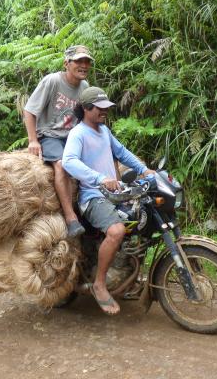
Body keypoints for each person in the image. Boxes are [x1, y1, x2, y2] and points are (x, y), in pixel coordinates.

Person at [62, 87, 155, 315]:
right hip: (92, 196)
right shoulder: (79, 133)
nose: (105, 112)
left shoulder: (104, 131)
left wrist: (145, 170)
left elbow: (122, 153)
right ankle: (100, 284)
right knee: (116, 231)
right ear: (86, 108)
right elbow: (69, 161)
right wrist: (100, 178)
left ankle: (125, 269)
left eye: (106, 108)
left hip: (114, 194)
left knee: (142, 219)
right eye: (100, 108)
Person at [23, 45, 92, 237]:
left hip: (72, 136)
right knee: (63, 165)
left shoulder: (85, 88)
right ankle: (71, 218)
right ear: (67, 63)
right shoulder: (52, 81)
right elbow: (29, 111)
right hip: (50, 135)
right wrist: (33, 140)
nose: (84, 65)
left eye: (87, 61)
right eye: (79, 61)